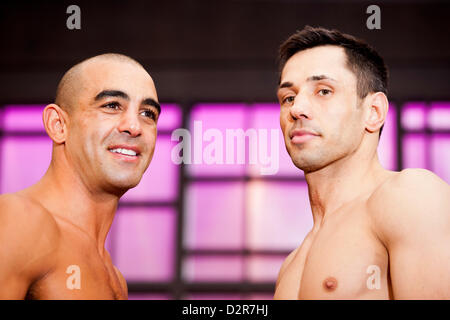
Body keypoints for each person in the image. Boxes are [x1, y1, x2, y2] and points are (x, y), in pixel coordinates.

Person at [274, 26, 450, 299]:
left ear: (373, 112)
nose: (296, 109)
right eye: (289, 97)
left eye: (323, 91)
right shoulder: (291, 266)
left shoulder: (410, 195)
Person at [0, 53, 161, 299]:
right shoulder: (18, 219)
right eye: (112, 106)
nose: (134, 126)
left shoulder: (116, 279)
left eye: (147, 113)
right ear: (58, 125)